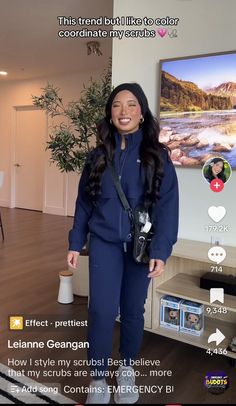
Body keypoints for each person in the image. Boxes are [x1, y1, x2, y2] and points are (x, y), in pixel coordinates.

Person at [67, 83, 179, 404]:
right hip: (104, 243)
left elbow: (167, 207)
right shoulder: (98, 156)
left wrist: (161, 250)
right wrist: (76, 242)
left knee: (132, 311)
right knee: (101, 311)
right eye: (117, 105)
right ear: (110, 113)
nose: (124, 111)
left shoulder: (157, 156)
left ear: (141, 114)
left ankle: (127, 368)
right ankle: (99, 378)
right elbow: (84, 203)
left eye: (132, 105)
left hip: (141, 248)